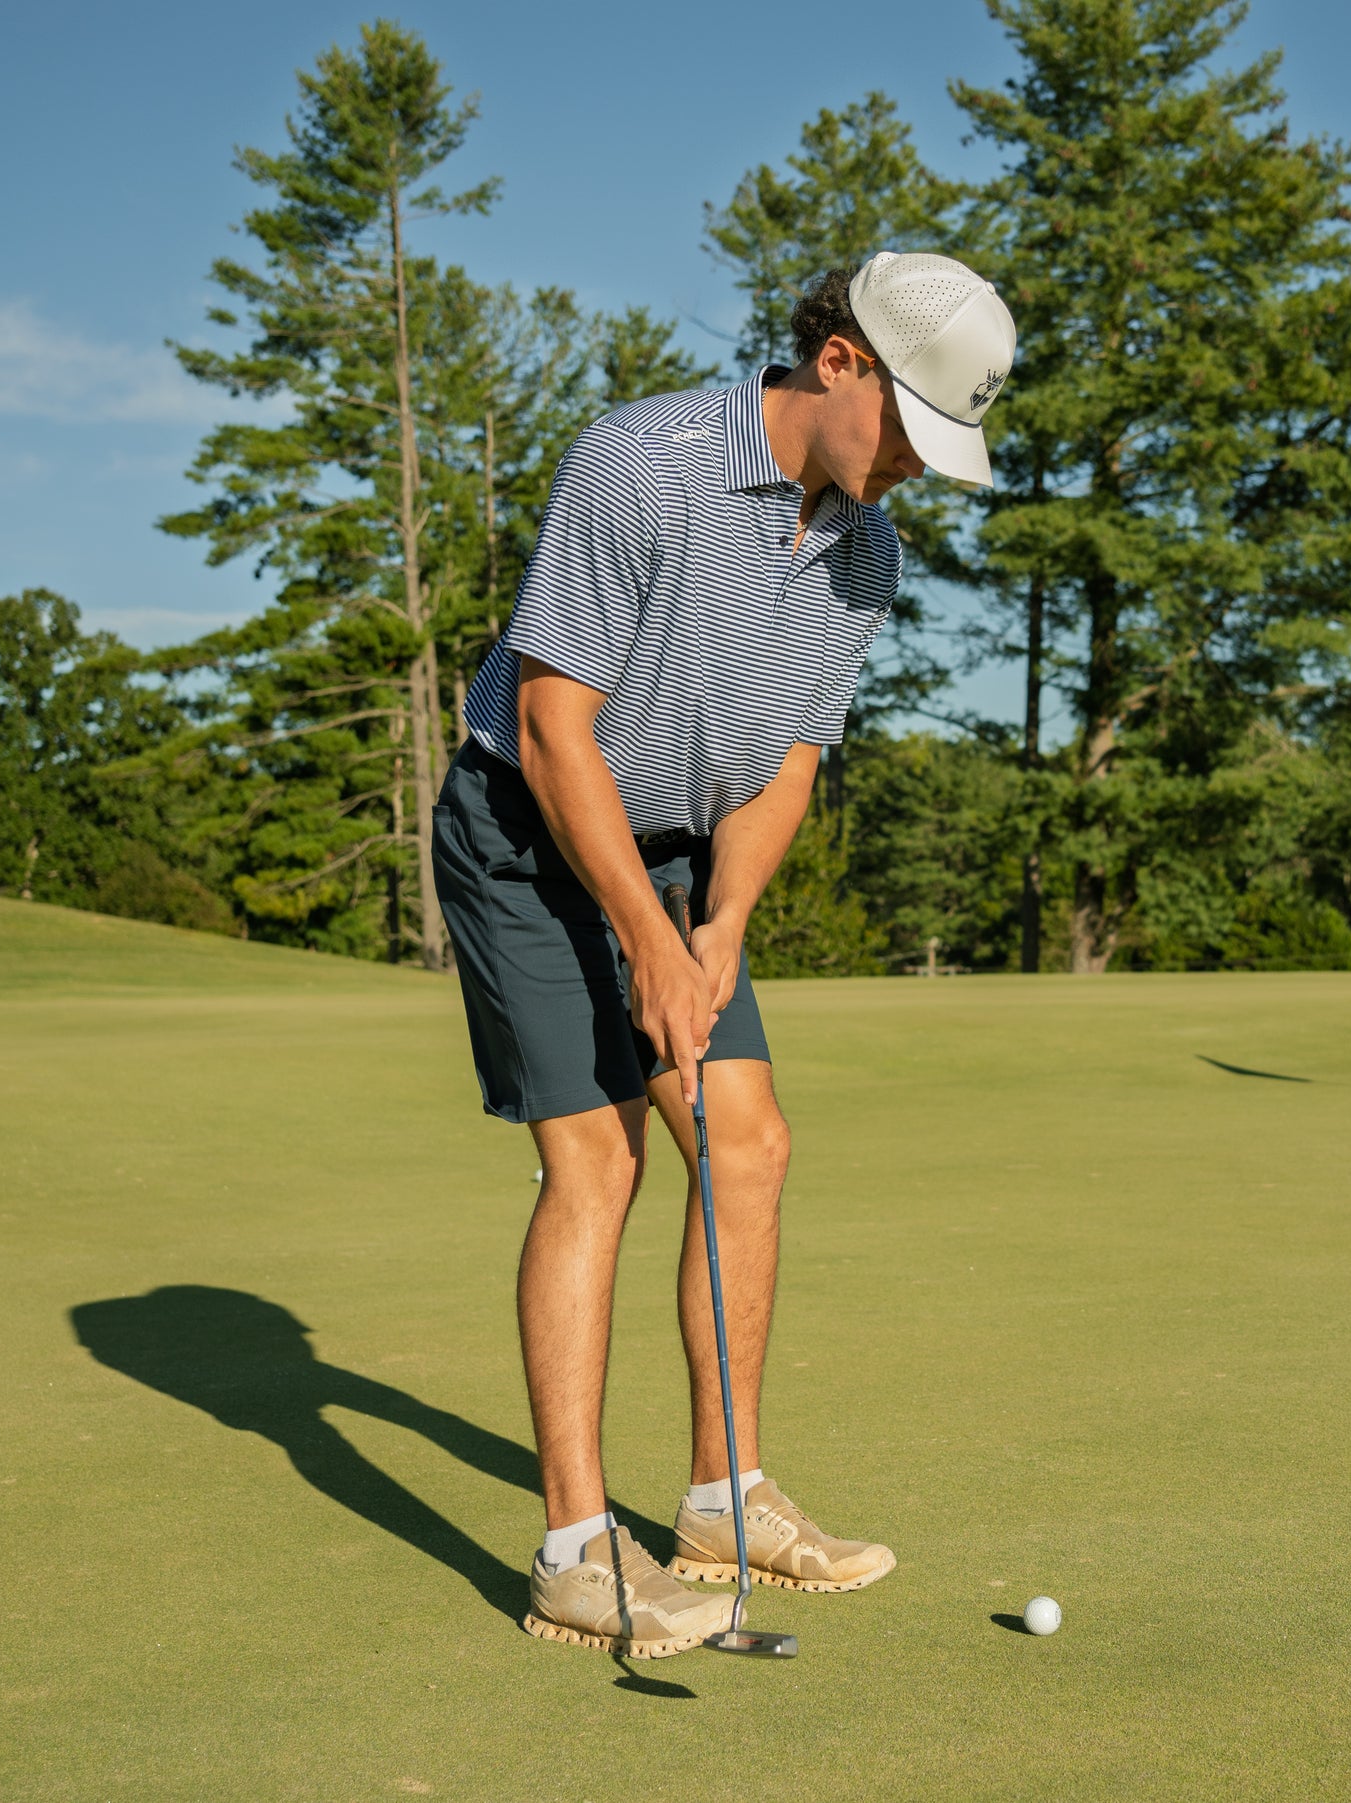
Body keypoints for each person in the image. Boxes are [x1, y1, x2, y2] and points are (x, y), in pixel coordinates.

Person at [432, 252, 1016, 1656]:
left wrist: (713, 932)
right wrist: (641, 937)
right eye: (910, 434)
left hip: (687, 852)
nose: (916, 475)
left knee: (746, 1146)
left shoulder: (865, 545)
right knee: (603, 1160)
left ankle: (723, 1502)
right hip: (528, 826)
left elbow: (788, 764)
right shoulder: (639, 464)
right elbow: (559, 727)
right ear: (840, 365)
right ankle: (577, 1556)